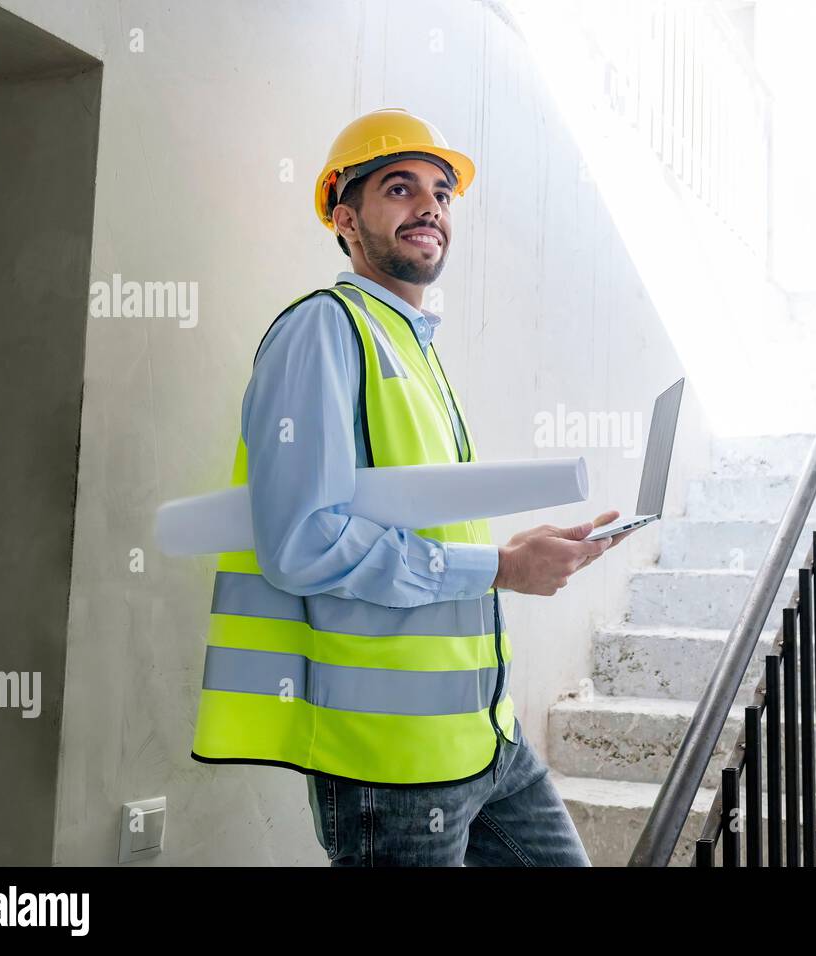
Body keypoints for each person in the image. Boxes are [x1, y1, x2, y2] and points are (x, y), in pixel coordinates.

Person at [190, 107, 633, 866]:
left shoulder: (411, 346)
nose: (430, 205)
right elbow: (302, 544)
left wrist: (511, 552)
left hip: (485, 742)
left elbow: (415, 529)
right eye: (399, 187)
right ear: (346, 217)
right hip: (388, 765)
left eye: (442, 192)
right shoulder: (325, 330)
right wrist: (500, 570)